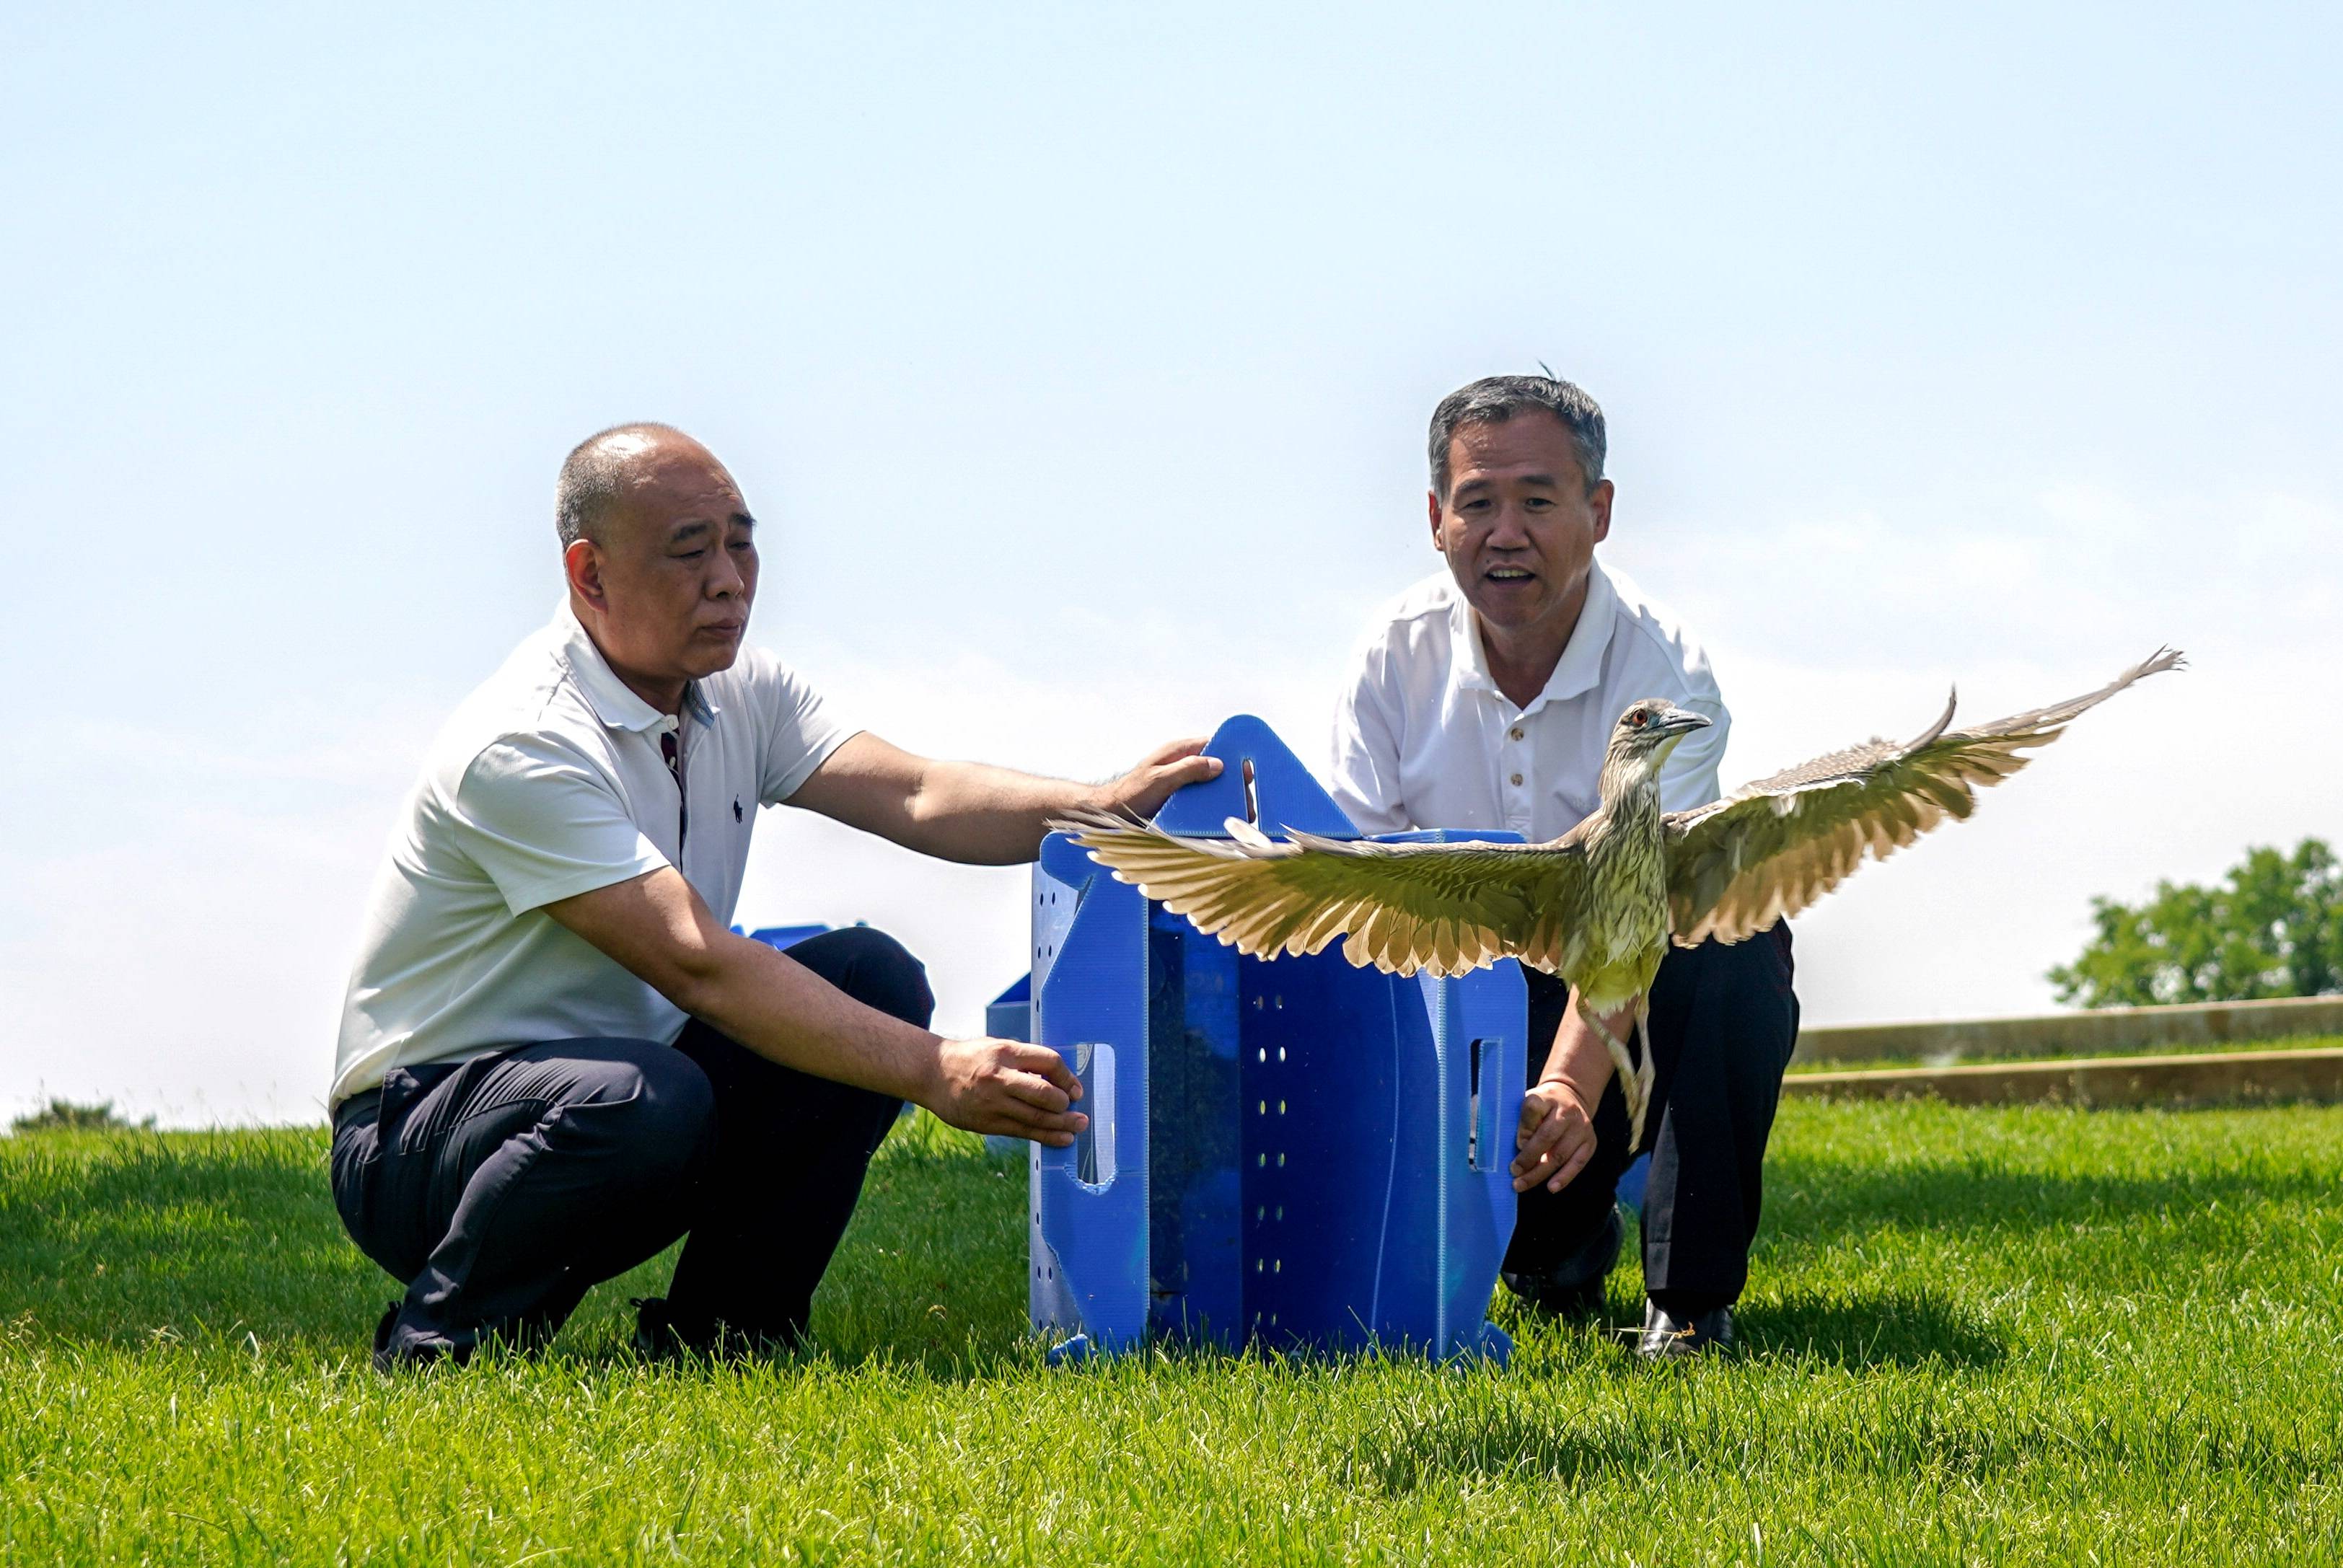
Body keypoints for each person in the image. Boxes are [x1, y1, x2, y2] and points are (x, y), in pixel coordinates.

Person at [330, 423, 1219, 1368]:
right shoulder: (525, 741)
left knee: (868, 978)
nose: (730, 578)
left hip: (609, 1092)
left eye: (741, 541)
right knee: (650, 1096)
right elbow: (697, 962)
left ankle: (725, 1336)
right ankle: (439, 1347)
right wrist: (932, 1069)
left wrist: (1095, 805)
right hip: (416, 1138)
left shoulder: (737, 689)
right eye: (691, 551)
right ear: (588, 575)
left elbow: (917, 794)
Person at [1327, 375, 1799, 1358]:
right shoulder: (1390, 659)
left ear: (1600, 511)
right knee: (1541, 1250)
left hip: (1623, 999)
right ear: (1434, 518)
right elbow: (1359, 908)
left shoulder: (1663, 674)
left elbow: (1636, 926)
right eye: (1479, 502)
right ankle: (1555, 1247)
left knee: (1734, 935)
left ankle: (1688, 1300)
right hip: (1457, 1010)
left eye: (1539, 501)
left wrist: (1571, 1091)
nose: (1507, 532)